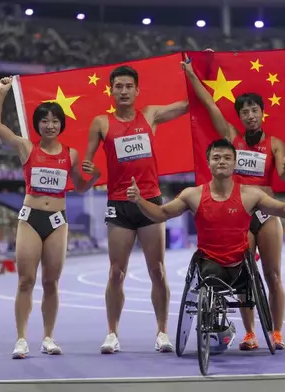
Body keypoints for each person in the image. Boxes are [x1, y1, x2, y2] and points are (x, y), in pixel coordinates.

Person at [126, 139, 285, 349]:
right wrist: (139, 200)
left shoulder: (251, 194)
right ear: (208, 163)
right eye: (216, 158)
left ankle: (269, 331)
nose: (222, 161)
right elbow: (161, 213)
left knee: (267, 275)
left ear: (235, 164)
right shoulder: (193, 195)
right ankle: (233, 328)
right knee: (209, 272)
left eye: (227, 158)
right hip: (208, 267)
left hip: (240, 268)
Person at [181, 53, 285, 350]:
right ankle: (250, 333)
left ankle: (278, 331)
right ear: (240, 116)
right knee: (247, 274)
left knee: (273, 274)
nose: (249, 115)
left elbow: (284, 173)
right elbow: (209, 105)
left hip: (267, 213)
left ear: (262, 112)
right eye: (244, 111)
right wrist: (192, 75)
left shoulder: (275, 144)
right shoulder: (233, 139)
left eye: (254, 110)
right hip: (240, 214)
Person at [0, 76, 101, 359]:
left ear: (61, 124)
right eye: (44, 120)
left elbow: (81, 186)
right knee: (25, 280)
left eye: (55, 120)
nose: (50, 125)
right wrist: (2, 93)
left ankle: (48, 337)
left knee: (51, 282)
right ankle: (21, 339)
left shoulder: (71, 155)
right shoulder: (27, 148)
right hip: (30, 218)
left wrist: (95, 176)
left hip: (57, 221)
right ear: (37, 124)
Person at [83, 65, 189, 354]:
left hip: (151, 202)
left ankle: (162, 332)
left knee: (157, 271)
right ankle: (112, 334)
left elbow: (186, 105)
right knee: (116, 272)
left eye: (129, 86)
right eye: (118, 86)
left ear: (137, 90)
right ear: (111, 90)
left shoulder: (150, 115)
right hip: (119, 205)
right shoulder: (101, 123)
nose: (124, 91)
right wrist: (89, 171)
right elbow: (86, 171)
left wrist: (197, 72)